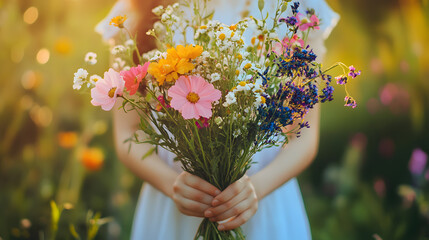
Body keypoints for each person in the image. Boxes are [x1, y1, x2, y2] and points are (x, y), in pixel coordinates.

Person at [96, 0, 339, 239]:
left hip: (263, 205)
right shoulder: (133, 13)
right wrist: (172, 185)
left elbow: (303, 135)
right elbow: (129, 131)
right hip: (174, 206)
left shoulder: (297, 9)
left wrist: (255, 190)